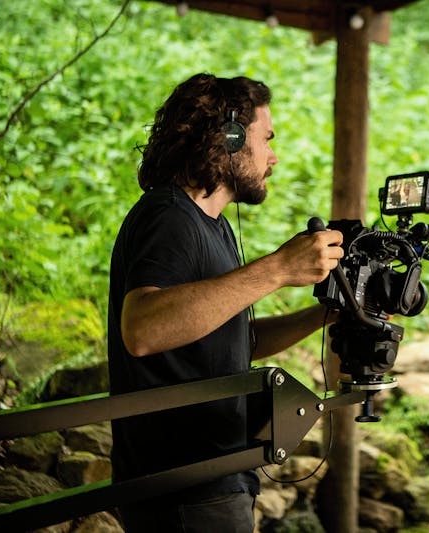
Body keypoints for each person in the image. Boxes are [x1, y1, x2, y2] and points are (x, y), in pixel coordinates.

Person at [107, 73, 344, 533]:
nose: (273, 157)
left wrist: (326, 313)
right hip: (184, 487)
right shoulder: (168, 215)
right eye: (266, 139)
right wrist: (276, 269)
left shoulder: (213, 226)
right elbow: (143, 329)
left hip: (213, 479)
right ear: (229, 138)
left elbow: (234, 337)